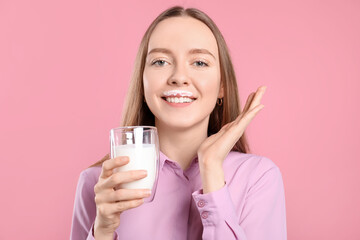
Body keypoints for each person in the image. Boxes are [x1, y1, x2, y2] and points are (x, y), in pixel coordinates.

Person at [70, 6, 287, 240]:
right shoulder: (98, 184)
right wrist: (101, 232)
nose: (179, 77)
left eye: (200, 63)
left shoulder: (258, 177)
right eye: (161, 62)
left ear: (222, 86)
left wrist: (212, 170)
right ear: (142, 82)